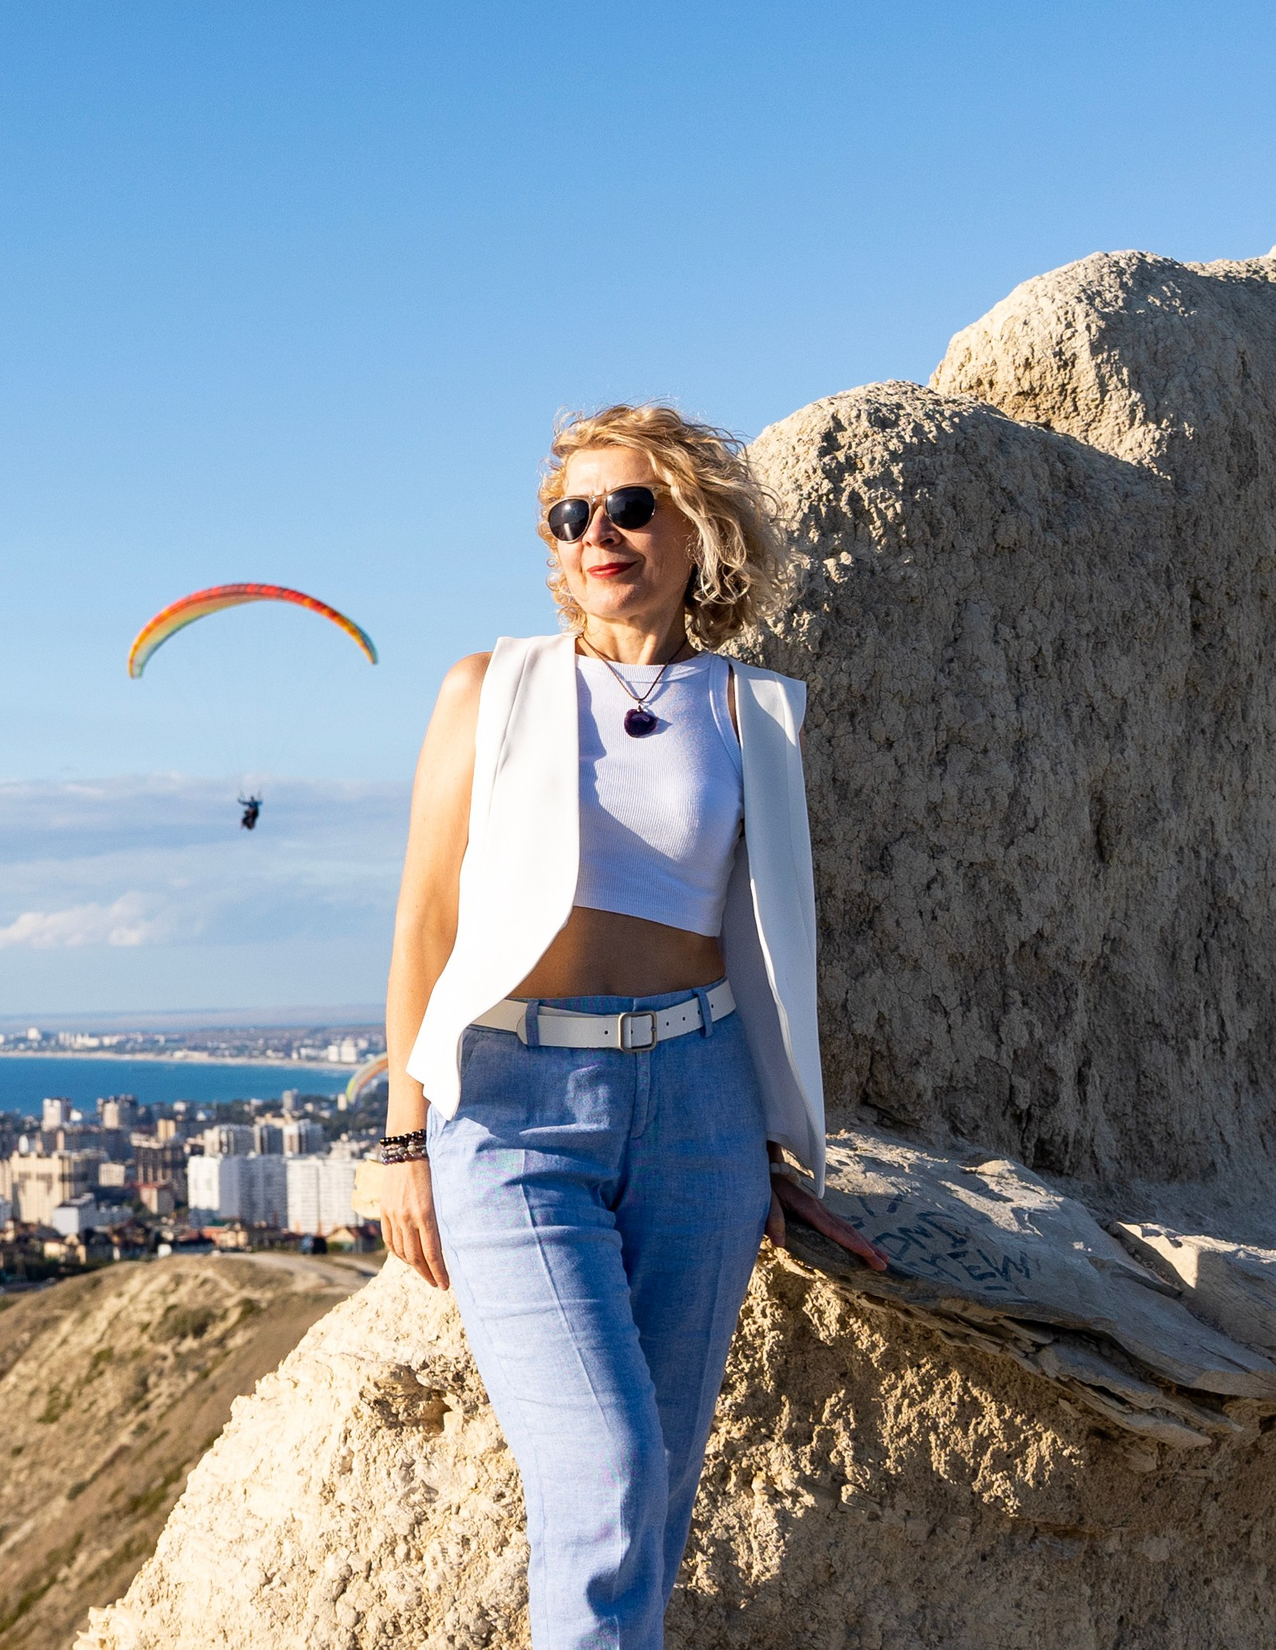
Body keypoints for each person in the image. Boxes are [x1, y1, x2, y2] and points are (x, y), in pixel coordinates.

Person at [375, 403, 886, 1649]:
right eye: (571, 515)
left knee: (652, 1494)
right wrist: (401, 1138)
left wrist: (768, 1136)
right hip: (510, 1107)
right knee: (602, 1477)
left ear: (698, 531)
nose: (597, 532)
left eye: (630, 505)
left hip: (699, 1113)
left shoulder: (756, 712)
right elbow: (425, 918)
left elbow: (756, 935)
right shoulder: (488, 690)